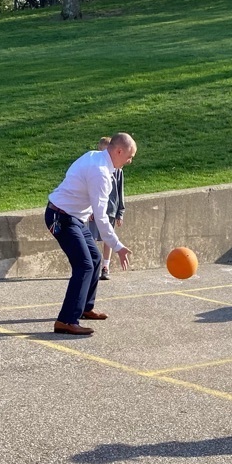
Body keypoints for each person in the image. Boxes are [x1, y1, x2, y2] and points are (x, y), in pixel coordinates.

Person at [45, 132, 136, 335]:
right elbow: (102, 217)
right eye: (130, 156)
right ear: (119, 151)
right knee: (84, 265)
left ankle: (86, 308)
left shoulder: (95, 156)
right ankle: (66, 321)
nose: (130, 161)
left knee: (94, 258)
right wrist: (118, 246)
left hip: (73, 218)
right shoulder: (101, 172)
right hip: (61, 218)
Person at [88, 136, 126, 281]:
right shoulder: (96, 168)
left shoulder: (118, 171)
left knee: (108, 238)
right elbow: (90, 190)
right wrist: (90, 210)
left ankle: (105, 266)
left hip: (110, 209)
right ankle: (91, 265)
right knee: (90, 238)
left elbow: (120, 191)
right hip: (95, 209)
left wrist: (120, 212)